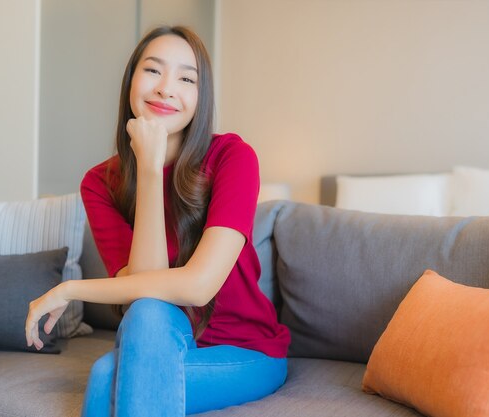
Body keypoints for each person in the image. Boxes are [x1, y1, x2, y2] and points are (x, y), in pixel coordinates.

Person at [25, 25, 290, 417]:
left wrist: (71, 289)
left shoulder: (233, 157)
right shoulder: (100, 183)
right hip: (160, 336)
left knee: (104, 379)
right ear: (131, 80)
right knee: (149, 311)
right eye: (153, 70)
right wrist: (149, 169)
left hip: (245, 349)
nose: (167, 88)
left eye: (186, 78)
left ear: (201, 97)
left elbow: (198, 287)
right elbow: (142, 297)